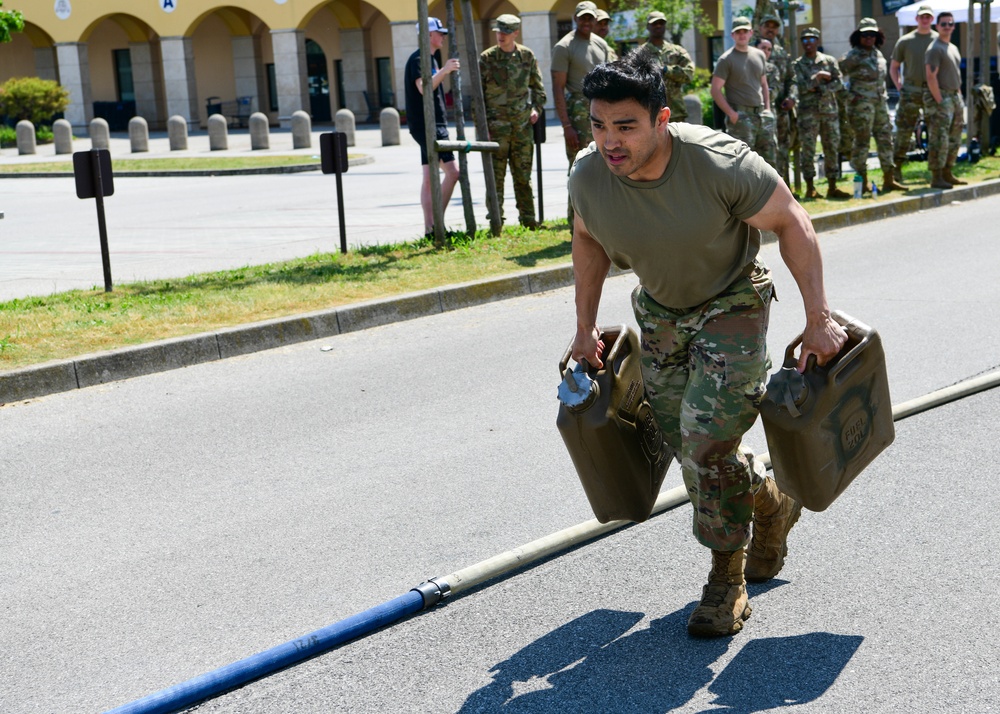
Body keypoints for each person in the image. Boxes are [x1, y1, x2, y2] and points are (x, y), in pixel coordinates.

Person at [568, 50, 847, 638]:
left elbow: (792, 221)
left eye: (625, 126)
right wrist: (584, 326)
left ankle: (727, 578)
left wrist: (818, 317)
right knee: (686, 445)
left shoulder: (718, 163)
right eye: (597, 124)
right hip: (660, 313)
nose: (609, 141)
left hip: (733, 304)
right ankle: (770, 501)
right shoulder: (589, 173)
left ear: (661, 119)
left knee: (704, 446)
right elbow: (588, 240)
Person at [479, 13, 547, 228]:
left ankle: (528, 221)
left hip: (521, 128)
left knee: (523, 177)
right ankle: (496, 223)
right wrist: (482, 129)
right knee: (495, 179)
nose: (501, 36)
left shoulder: (526, 56)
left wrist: (535, 109)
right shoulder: (487, 58)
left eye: (506, 32)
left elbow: (539, 90)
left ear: (515, 33)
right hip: (495, 129)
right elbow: (477, 98)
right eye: (498, 31)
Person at [552, 0, 614, 226]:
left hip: (604, 111)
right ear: (576, 19)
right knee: (579, 168)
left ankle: (602, 221)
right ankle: (576, 224)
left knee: (607, 164)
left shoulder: (600, 44)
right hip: (578, 110)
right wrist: (566, 125)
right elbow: (558, 87)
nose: (587, 22)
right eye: (583, 18)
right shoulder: (564, 46)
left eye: (591, 18)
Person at [404, 17, 460, 235]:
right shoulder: (420, 59)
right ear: (428, 35)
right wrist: (445, 71)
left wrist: (441, 69)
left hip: (430, 124)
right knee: (453, 172)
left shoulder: (429, 59)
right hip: (430, 125)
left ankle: (430, 229)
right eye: (440, 33)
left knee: (428, 178)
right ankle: (437, 222)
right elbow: (423, 88)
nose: (443, 37)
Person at [840, 18, 903, 193]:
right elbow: (836, 76)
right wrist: (849, 96)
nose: (869, 38)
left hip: (880, 105)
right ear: (858, 37)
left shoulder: (878, 54)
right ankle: (863, 181)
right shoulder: (853, 56)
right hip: (861, 108)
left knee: (885, 140)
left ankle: (889, 179)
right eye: (865, 35)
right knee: (862, 143)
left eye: (872, 35)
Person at [711, 16, 776, 169]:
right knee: (743, 164)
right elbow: (715, 90)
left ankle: (767, 193)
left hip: (762, 116)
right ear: (732, 35)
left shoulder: (759, 54)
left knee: (769, 161)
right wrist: (732, 114)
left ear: (751, 33)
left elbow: (764, 83)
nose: (742, 34)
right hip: (741, 118)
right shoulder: (726, 59)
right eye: (738, 32)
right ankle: (744, 194)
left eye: (745, 31)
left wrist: (768, 109)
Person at [793, 27, 850, 199]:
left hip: (829, 112)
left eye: (811, 40)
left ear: (817, 41)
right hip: (808, 114)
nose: (808, 43)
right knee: (808, 150)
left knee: (831, 148)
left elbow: (839, 84)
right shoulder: (797, 65)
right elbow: (801, 88)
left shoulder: (829, 61)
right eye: (804, 40)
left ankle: (832, 186)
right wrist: (818, 77)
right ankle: (810, 187)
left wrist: (821, 87)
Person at [890, 5, 938, 183]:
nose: (925, 20)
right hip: (910, 90)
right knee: (904, 130)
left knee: (936, 131)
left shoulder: (938, 40)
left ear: (932, 19)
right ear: (916, 19)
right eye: (922, 17)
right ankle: (896, 171)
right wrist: (899, 85)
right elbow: (894, 67)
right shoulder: (905, 41)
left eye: (928, 17)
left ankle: (936, 172)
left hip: (932, 90)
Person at [924, 11, 967, 189]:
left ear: (954, 26)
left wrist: (958, 95)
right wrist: (939, 100)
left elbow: (954, 74)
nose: (947, 26)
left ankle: (948, 171)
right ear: (937, 26)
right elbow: (930, 76)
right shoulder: (935, 48)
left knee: (955, 138)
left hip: (954, 96)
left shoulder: (953, 47)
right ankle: (937, 176)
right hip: (941, 97)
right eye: (944, 24)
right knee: (939, 138)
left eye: (950, 24)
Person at [756, 13, 797, 185]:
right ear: (760, 28)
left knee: (781, 150)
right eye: (767, 26)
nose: (770, 29)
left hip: (780, 111)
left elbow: (791, 79)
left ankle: (785, 188)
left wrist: (792, 97)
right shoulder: (751, 50)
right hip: (758, 112)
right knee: (760, 150)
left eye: (774, 26)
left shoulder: (781, 54)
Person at [638, 11, 695, 122]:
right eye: (654, 23)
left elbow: (689, 74)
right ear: (647, 27)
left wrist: (666, 70)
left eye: (661, 23)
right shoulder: (640, 53)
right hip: (650, 112)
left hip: (676, 112)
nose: (658, 26)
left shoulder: (677, 51)